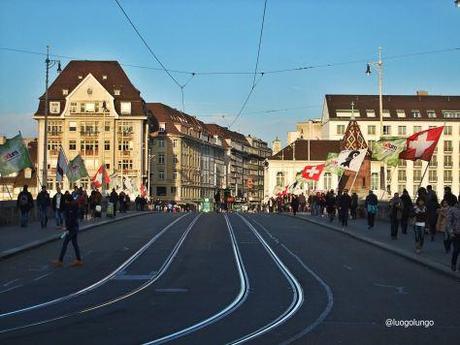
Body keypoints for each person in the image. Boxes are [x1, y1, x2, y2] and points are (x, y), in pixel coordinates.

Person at [53, 199, 82, 267]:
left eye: (66, 200)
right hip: (74, 228)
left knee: (65, 243)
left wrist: (67, 228)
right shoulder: (72, 207)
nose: (65, 201)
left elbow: (71, 219)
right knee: (75, 244)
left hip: (71, 229)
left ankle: (60, 261)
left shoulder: (70, 208)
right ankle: (79, 260)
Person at [447, 201, 460, 271]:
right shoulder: (452, 210)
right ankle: (453, 263)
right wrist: (451, 232)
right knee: (456, 249)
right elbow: (449, 221)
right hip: (456, 233)